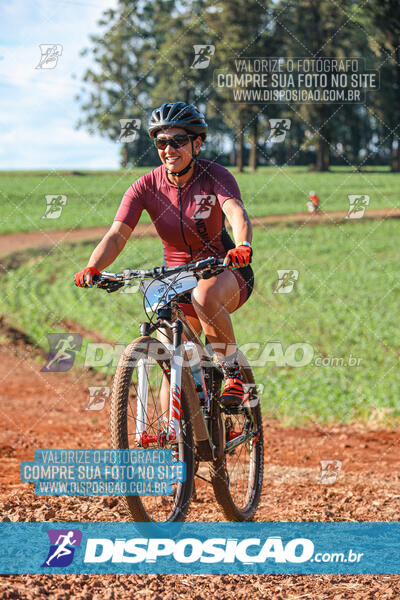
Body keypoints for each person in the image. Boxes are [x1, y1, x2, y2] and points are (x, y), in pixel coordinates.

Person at [74, 102, 254, 407]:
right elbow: (117, 234)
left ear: (197, 144)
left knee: (204, 297)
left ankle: (233, 372)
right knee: (170, 356)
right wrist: (93, 266)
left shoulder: (215, 175)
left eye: (177, 141)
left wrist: (243, 246)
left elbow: (235, 211)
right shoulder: (145, 186)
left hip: (224, 268)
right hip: (177, 276)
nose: (168, 149)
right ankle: (168, 437)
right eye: (161, 142)